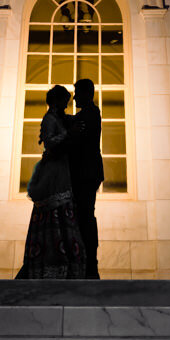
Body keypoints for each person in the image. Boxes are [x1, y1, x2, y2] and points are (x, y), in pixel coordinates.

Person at [16, 84, 85, 279]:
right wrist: (68, 134)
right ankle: (52, 261)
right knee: (53, 209)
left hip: (61, 169)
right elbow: (49, 141)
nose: (67, 105)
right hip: (53, 172)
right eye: (64, 101)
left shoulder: (59, 118)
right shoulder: (49, 119)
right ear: (56, 101)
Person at [68, 77, 104, 279]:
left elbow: (76, 137)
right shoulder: (88, 114)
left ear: (86, 94)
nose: (74, 98)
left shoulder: (89, 115)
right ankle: (87, 263)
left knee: (85, 218)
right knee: (85, 217)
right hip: (87, 173)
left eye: (76, 93)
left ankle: (90, 264)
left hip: (86, 174)